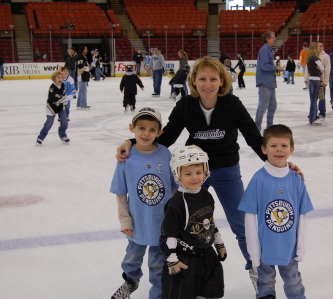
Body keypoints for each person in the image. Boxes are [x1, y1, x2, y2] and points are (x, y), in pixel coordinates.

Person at [116, 56, 303, 293]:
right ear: (193, 81)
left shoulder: (232, 104)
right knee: (186, 226)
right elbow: (166, 138)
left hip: (227, 171)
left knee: (242, 226)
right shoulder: (186, 106)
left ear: (222, 81)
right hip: (194, 174)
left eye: (213, 79)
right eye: (202, 78)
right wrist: (132, 141)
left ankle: (255, 270)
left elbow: (254, 138)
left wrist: (281, 165)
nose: (207, 84)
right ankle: (186, 275)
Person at [238, 124, 314, 299]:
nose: (279, 150)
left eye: (284, 146)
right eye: (273, 146)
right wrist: (254, 254)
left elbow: (302, 216)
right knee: (265, 284)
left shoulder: (296, 180)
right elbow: (250, 219)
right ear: (264, 149)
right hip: (265, 250)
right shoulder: (258, 180)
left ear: (292, 149)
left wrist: (301, 248)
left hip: (289, 250)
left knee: (294, 284)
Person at [110, 107, 177, 299]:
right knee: (132, 258)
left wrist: (174, 217)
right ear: (132, 128)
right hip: (137, 223)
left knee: (158, 265)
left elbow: (173, 187)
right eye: (141, 128)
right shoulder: (125, 158)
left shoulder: (165, 154)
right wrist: (125, 221)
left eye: (152, 129)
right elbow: (121, 194)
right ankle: (131, 281)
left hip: (161, 224)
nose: (146, 133)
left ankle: (157, 295)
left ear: (159, 132)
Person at [160, 145, 227, 299]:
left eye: (198, 172)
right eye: (188, 173)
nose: (195, 178)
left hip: (207, 256)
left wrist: (219, 243)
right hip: (184, 259)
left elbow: (210, 222)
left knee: (209, 290)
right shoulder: (176, 203)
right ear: (178, 175)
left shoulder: (206, 196)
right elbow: (167, 234)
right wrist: (171, 260)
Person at [255, 31, 284, 131]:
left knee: (272, 106)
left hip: (270, 83)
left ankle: (269, 127)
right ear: (268, 39)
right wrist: (276, 67)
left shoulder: (269, 50)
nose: (275, 39)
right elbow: (264, 66)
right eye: (273, 37)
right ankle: (257, 127)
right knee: (263, 106)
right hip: (265, 82)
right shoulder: (264, 50)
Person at [36, 71, 70, 145]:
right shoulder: (52, 87)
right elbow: (53, 98)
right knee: (49, 123)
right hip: (51, 107)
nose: (60, 79)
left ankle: (63, 135)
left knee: (64, 120)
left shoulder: (63, 86)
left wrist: (66, 99)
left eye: (61, 77)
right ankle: (41, 137)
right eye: (58, 77)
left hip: (60, 106)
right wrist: (64, 98)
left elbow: (64, 95)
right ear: (54, 79)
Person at [304, 42, 325, 126]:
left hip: (311, 79)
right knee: (314, 100)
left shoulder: (309, 57)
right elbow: (322, 67)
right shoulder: (314, 57)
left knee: (313, 99)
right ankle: (313, 118)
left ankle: (312, 117)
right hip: (315, 80)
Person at [315, 41, 330, 121]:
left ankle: (322, 113)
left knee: (321, 97)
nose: (320, 47)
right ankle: (313, 112)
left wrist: (325, 81)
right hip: (313, 80)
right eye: (318, 46)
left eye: (321, 46)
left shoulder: (326, 56)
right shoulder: (313, 55)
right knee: (313, 97)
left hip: (321, 80)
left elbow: (327, 69)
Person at [76, 45, 91, 110]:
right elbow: (80, 67)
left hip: (83, 75)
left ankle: (79, 104)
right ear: (82, 50)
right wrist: (88, 68)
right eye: (85, 49)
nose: (86, 50)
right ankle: (83, 105)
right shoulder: (80, 57)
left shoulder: (83, 57)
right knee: (83, 91)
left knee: (81, 91)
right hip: (81, 75)